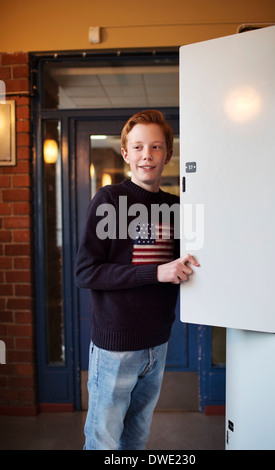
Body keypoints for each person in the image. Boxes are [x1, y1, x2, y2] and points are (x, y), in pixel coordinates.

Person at [75, 109, 199, 450]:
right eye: (139, 147)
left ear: (168, 154)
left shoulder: (178, 208)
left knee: (137, 438)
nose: (148, 155)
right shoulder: (109, 200)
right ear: (126, 153)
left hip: (156, 343)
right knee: (104, 440)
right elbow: (86, 271)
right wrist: (157, 272)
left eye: (156, 147)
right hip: (115, 345)